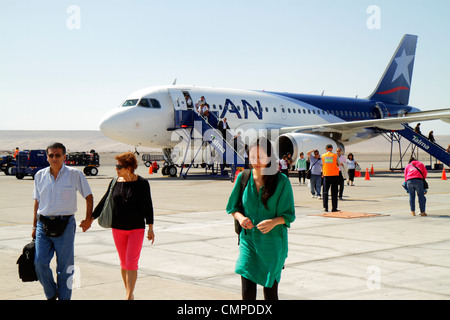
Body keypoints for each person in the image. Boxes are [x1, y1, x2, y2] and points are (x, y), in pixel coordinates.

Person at [226, 138, 295, 300]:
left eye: (261, 156)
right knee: (247, 291)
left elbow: (289, 215)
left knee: (270, 292)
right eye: (253, 156)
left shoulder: (281, 182)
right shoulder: (243, 178)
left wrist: (273, 222)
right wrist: (241, 218)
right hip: (248, 241)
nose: (256, 161)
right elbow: (232, 207)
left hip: (272, 244)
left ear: (269, 158)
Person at [32, 142, 93, 300]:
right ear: (47, 157)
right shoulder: (39, 175)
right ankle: (51, 294)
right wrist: (34, 225)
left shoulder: (74, 174)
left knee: (65, 267)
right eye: (51, 155)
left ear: (64, 157)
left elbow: (88, 196)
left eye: (57, 155)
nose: (54, 158)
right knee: (39, 262)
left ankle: (65, 298)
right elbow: (37, 202)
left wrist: (88, 219)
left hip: (65, 224)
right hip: (43, 224)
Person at [93, 152, 155, 299]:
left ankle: (128, 296)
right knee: (123, 263)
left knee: (131, 263)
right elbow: (104, 201)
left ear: (129, 168)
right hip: (118, 229)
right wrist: (91, 218)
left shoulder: (142, 183)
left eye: (119, 166)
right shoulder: (115, 182)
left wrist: (150, 228)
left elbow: (148, 206)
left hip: (136, 229)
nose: (116, 169)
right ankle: (130, 293)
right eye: (116, 166)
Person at [321, 144, 340, 212]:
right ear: (332, 148)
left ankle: (325, 207)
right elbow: (338, 164)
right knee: (334, 192)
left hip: (326, 175)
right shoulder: (335, 155)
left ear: (326, 149)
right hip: (334, 175)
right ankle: (334, 208)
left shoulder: (323, 156)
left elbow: (322, 164)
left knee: (325, 192)